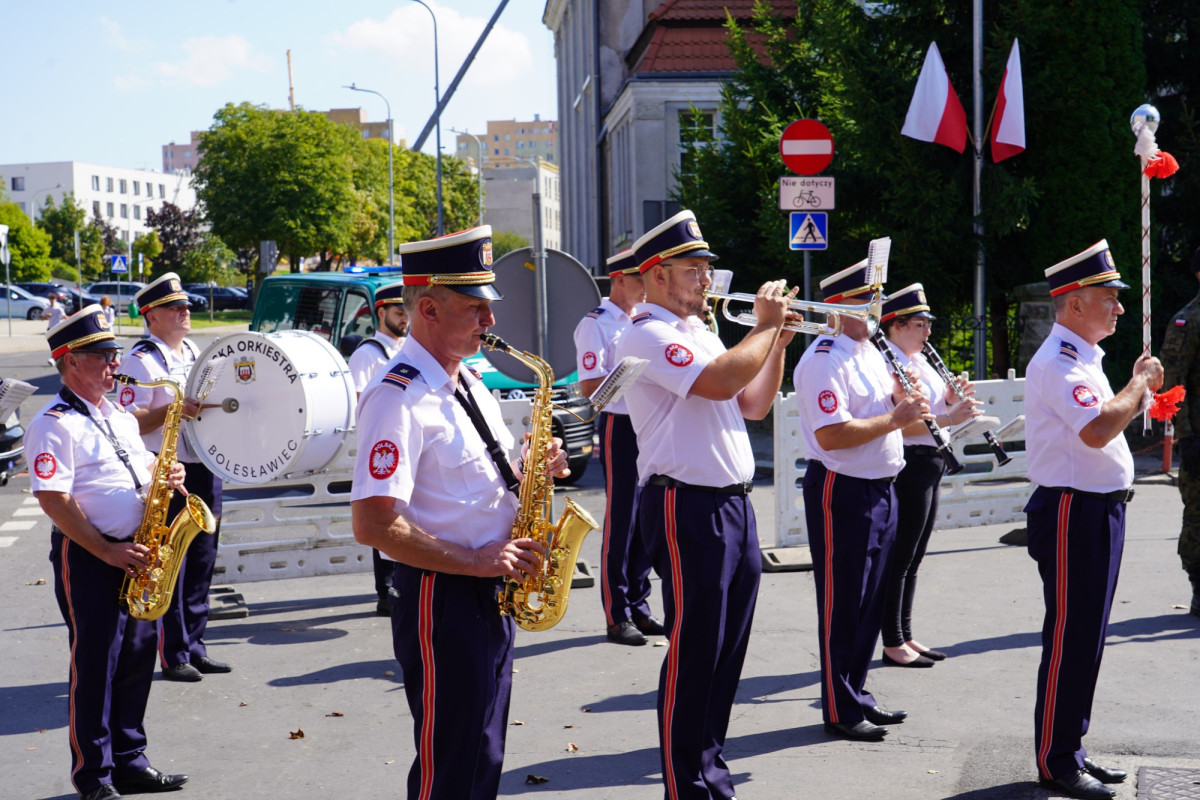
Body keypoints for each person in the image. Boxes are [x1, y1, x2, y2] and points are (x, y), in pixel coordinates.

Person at [350, 226, 568, 800]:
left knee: (482, 750)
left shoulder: (466, 378)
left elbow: (482, 485)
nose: (489, 322)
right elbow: (373, 525)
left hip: (489, 585)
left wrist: (535, 473)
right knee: (451, 760)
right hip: (444, 594)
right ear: (427, 307)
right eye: (476, 308)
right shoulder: (396, 396)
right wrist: (475, 561)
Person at [615, 210, 795, 800]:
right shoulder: (646, 332)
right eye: (693, 270)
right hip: (685, 505)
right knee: (696, 649)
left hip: (732, 507)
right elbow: (718, 382)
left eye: (706, 269)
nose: (705, 280)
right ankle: (685, 782)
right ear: (657, 276)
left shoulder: (703, 332)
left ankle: (710, 771)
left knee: (727, 649)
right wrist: (763, 329)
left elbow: (752, 405)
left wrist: (779, 345)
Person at [26, 305, 190, 800]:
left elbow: (141, 462)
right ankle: (94, 777)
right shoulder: (52, 423)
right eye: (102, 355)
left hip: (141, 551)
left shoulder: (116, 412)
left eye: (114, 353)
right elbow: (53, 498)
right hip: (91, 557)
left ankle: (129, 761)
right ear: (70, 361)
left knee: (138, 658)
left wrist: (172, 475)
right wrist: (105, 550)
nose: (114, 364)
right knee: (96, 663)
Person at [1024, 240, 1162, 799]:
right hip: (1071, 510)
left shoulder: (1082, 358)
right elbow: (1098, 430)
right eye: (1109, 298)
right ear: (1074, 304)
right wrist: (1139, 385)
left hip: (1097, 509)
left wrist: (1131, 388)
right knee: (1070, 636)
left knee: (1088, 637)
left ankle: (1071, 747)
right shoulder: (1059, 361)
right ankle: (1056, 760)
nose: (1120, 308)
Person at [792, 260, 931, 742]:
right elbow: (832, 435)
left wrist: (907, 404)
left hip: (881, 484)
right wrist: (897, 418)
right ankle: (840, 707)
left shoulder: (868, 351)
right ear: (838, 306)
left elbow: (889, 410)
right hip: (843, 487)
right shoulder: (822, 358)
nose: (877, 308)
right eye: (868, 300)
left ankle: (857, 695)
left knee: (870, 601)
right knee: (843, 602)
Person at [118, 273, 230, 683]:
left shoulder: (194, 350)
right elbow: (126, 419)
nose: (185, 311)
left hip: (202, 464)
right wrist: (172, 411)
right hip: (166, 471)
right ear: (151, 316)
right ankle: (175, 652)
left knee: (201, 559)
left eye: (185, 306)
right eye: (174, 307)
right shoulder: (141, 360)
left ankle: (196, 646)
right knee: (174, 561)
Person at [879, 284, 981, 668]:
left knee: (915, 555)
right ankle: (892, 641)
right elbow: (900, 426)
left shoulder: (919, 362)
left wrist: (952, 402)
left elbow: (933, 411)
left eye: (927, 324)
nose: (928, 332)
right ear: (896, 325)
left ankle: (904, 633)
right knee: (901, 555)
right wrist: (951, 417)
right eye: (920, 324)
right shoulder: (888, 363)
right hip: (909, 461)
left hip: (932, 458)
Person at [572, 249, 664, 646]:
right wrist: (637, 373)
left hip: (651, 423)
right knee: (623, 516)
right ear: (618, 280)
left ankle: (640, 606)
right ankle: (616, 613)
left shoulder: (648, 319)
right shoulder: (596, 324)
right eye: (638, 279)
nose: (645, 287)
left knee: (648, 515)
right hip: (621, 423)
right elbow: (592, 389)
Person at [346, 280, 408, 616]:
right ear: (380, 312)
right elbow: (361, 406)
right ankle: (385, 590)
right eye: (399, 312)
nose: (405, 319)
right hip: (381, 448)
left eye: (407, 312)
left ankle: (400, 581)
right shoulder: (368, 354)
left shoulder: (405, 350)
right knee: (382, 513)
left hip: (404, 443)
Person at [1159, 245, 1200, 618]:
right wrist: (1186, 436)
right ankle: (1199, 585)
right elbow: (1172, 383)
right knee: (1198, 515)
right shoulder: (1188, 320)